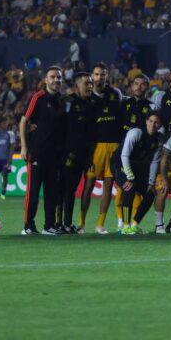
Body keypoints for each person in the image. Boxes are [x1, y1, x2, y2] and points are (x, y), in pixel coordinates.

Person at [20, 66, 65, 235]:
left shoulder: (63, 100)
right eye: (52, 77)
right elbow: (24, 121)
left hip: (55, 155)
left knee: (51, 193)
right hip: (37, 153)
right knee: (32, 193)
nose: (56, 80)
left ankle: (49, 226)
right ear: (46, 80)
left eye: (59, 77)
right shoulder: (38, 97)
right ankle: (28, 226)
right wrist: (24, 147)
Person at [80, 62, 123, 234]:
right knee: (88, 185)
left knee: (108, 185)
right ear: (92, 76)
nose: (100, 77)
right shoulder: (88, 97)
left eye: (103, 74)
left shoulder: (115, 93)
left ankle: (100, 224)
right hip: (95, 147)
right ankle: (81, 224)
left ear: (107, 76)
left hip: (113, 146)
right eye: (97, 74)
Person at [110, 112, 163, 234]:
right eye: (150, 121)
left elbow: (155, 161)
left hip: (137, 167)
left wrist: (150, 181)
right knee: (129, 188)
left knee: (150, 195)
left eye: (156, 122)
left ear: (160, 125)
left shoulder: (159, 139)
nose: (152, 124)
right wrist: (129, 176)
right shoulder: (135, 133)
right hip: (120, 164)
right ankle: (125, 227)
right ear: (146, 121)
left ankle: (134, 225)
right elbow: (124, 155)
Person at [59, 73, 94, 233]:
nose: (90, 87)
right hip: (67, 154)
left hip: (82, 155)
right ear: (76, 86)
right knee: (63, 188)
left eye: (91, 84)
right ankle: (57, 223)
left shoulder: (89, 104)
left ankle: (67, 223)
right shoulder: (68, 101)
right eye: (86, 83)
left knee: (72, 189)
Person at [0, 119, 17, 200]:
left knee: (4, 176)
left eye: (6, 123)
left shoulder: (10, 134)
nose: (5, 124)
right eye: (3, 123)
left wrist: (10, 159)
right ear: (0, 124)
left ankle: (3, 193)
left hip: (5, 159)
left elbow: (12, 147)